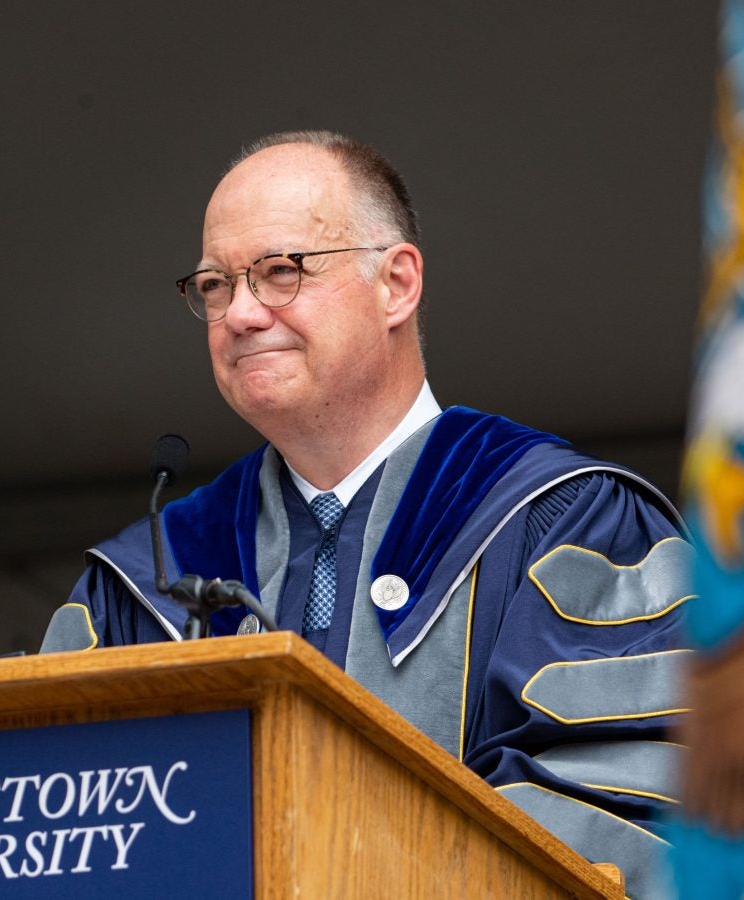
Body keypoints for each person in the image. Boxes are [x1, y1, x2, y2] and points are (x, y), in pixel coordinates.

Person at [42, 130, 689, 897]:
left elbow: (618, 811)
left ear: (397, 284)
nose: (241, 314)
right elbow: (62, 836)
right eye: (215, 285)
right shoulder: (147, 580)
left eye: (280, 271)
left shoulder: (561, 523)